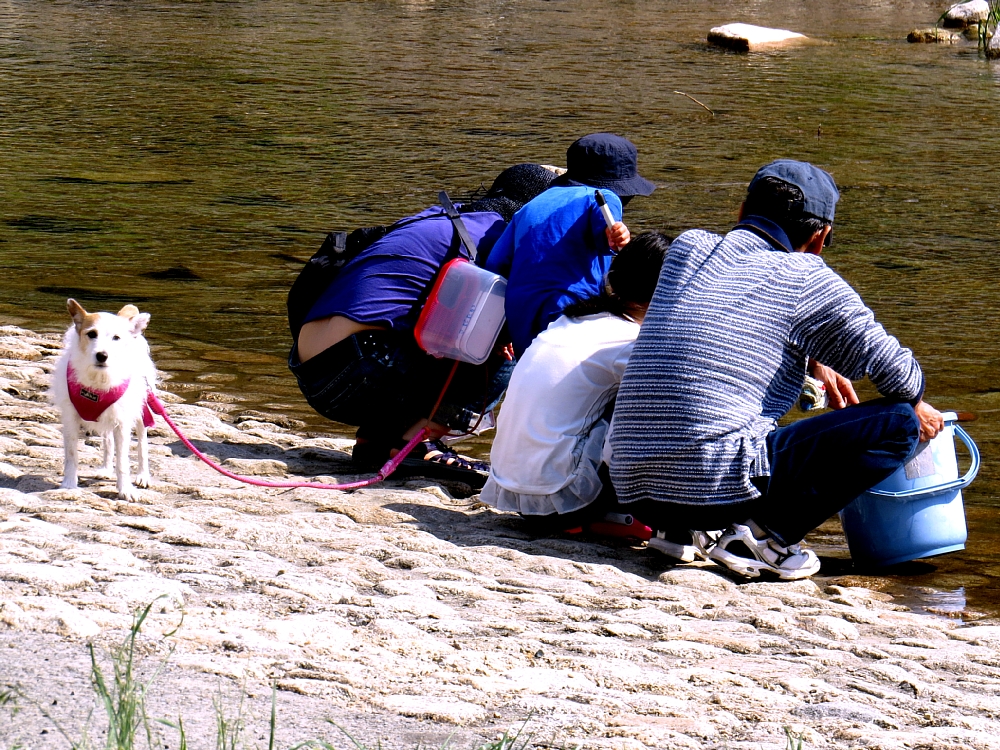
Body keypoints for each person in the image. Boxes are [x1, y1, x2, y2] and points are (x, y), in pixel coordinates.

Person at [609, 159, 945, 580]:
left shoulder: (688, 248)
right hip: (711, 491)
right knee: (897, 423)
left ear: (741, 212)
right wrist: (917, 403)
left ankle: (680, 531)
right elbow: (900, 375)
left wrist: (814, 357)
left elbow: (717, 325)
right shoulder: (806, 276)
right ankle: (765, 537)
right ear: (819, 237)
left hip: (634, 489)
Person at [289, 164, 557, 483]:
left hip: (311, 371)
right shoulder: (500, 237)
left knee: (433, 333)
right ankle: (417, 443)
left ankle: (377, 440)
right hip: (358, 372)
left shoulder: (439, 218)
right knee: (502, 355)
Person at [481, 232, 671, 532]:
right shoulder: (630, 341)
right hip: (561, 499)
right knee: (657, 403)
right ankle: (622, 513)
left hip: (513, 489)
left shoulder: (570, 320)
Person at [484, 133, 655, 357]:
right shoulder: (604, 196)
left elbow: (495, 263)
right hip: (570, 307)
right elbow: (608, 228)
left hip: (521, 312)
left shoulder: (532, 204)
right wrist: (616, 236)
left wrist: (499, 331)